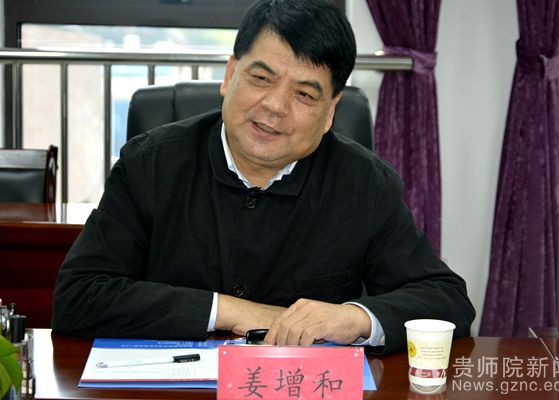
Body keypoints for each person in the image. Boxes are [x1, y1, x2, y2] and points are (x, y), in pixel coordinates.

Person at [52, 0, 475, 355]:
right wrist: (234, 311)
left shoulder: (365, 184)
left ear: (331, 111)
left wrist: (354, 318)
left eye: (304, 94)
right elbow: (78, 296)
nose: (274, 106)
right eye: (261, 78)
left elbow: (448, 301)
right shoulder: (151, 164)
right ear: (229, 75)